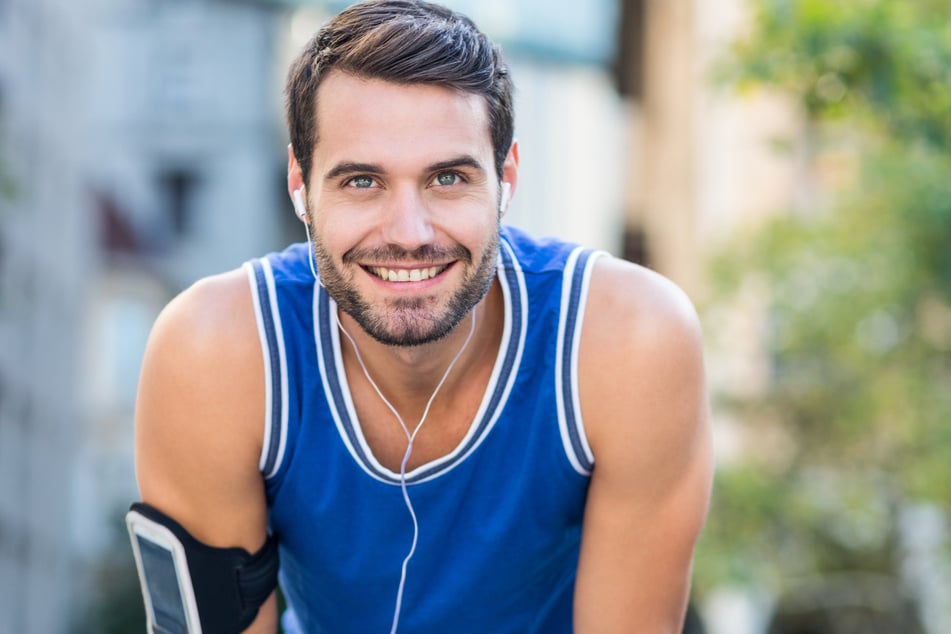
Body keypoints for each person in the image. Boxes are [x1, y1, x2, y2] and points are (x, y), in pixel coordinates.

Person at [129, 1, 713, 632]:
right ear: (300, 183)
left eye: (447, 178)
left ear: (505, 177)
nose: (409, 233)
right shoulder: (217, 353)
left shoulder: (627, 342)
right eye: (361, 181)